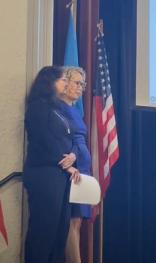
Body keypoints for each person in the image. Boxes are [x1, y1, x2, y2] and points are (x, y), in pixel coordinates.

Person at [23, 66, 81, 263]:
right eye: (62, 80)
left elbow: (71, 137)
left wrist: (73, 155)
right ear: (49, 82)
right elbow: (44, 140)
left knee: (60, 230)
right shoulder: (38, 107)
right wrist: (66, 164)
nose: (66, 83)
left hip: (60, 176)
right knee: (44, 230)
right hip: (44, 174)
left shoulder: (58, 109)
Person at [58, 67, 91, 263]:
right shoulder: (58, 108)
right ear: (65, 82)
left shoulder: (74, 110)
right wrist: (73, 156)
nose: (81, 87)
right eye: (77, 83)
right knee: (72, 222)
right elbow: (64, 139)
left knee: (78, 222)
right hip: (72, 171)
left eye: (83, 84)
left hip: (83, 170)